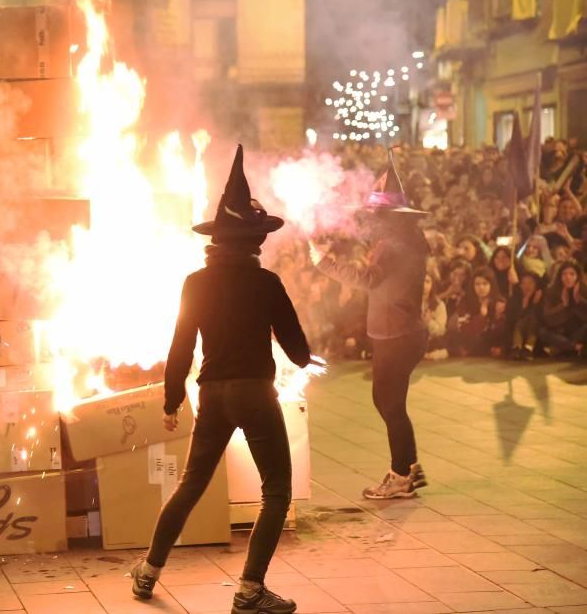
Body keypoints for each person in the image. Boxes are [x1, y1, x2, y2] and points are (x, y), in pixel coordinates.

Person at [130, 145, 313, 614]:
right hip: (255, 392)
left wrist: (172, 403)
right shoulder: (267, 283)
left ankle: (148, 572)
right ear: (253, 241)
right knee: (276, 492)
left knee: (191, 485)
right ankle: (250, 591)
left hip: (211, 395)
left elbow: (180, 348)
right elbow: (300, 352)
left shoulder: (195, 283)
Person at [311, 159, 429, 499]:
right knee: (393, 404)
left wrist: (325, 264)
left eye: (376, 214)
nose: (371, 220)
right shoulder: (408, 241)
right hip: (403, 332)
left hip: (396, 335)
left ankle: (401, 474)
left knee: (388, 403)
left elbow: (367, 279)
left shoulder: (393, 246)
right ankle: (408, 469)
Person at [540, 261, 587, 357]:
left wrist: (579, 301)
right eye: (564, 274)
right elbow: (547, 318)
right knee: (542, 332)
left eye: (572, 274)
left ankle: (562, 347)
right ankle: (576, 348)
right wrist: (563, 306)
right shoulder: (551, 291)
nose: (568, 277)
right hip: (560, 332)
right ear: (560, 277)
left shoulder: (583, 290)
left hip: (578, 332)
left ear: (577, 276)